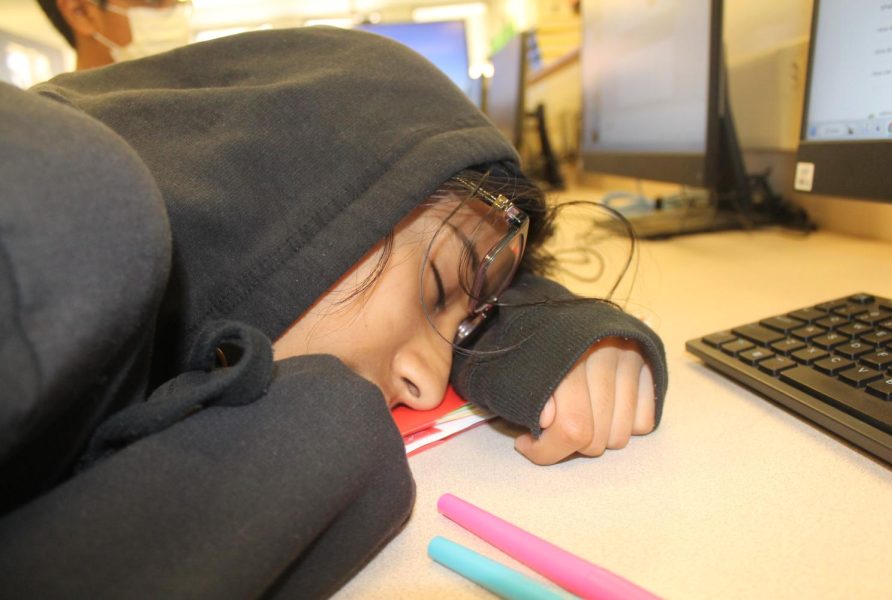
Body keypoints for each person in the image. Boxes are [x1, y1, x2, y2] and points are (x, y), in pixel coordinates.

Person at [0, 27, 667, 598]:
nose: (429, 384)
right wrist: (324, 428)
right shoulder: (58, 217)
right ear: (285, 191)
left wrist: (537, 329)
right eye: (437, 288)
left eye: (462, 320)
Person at [36, 0, 192, 70]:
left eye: (179, 1)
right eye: (152, 1)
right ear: (81, 13)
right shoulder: (53, 129)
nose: (172, 13)